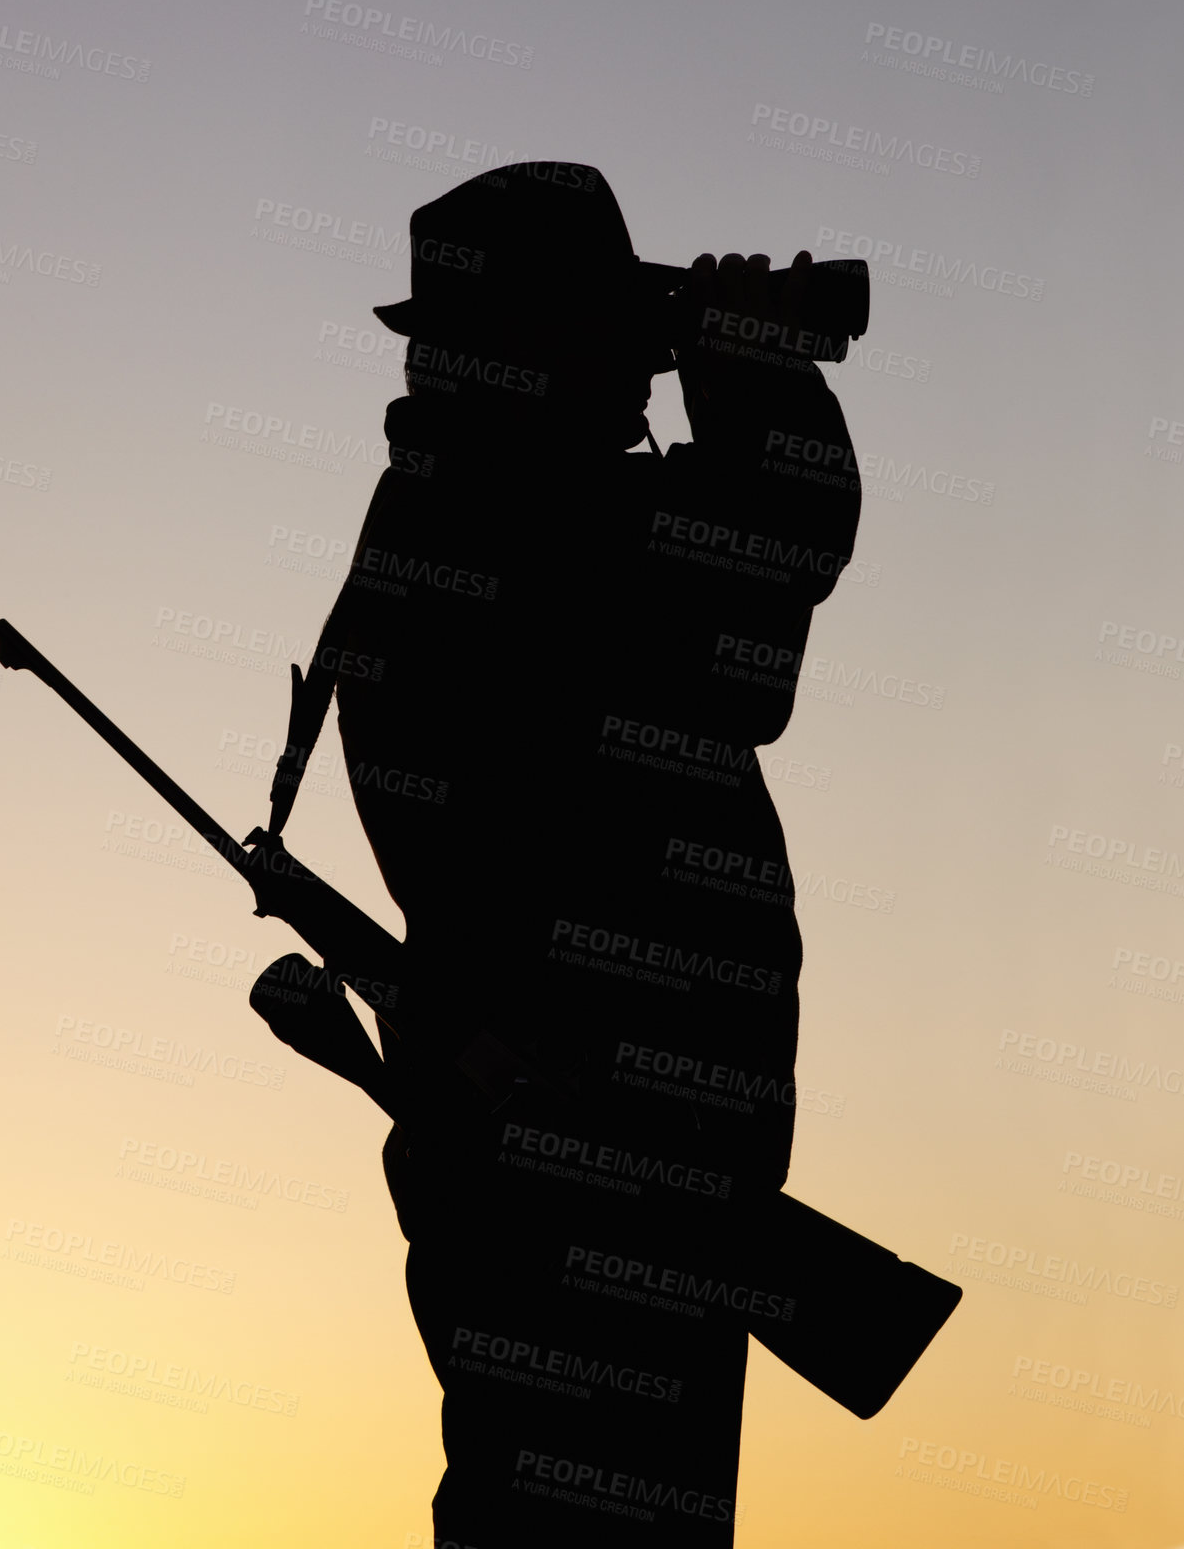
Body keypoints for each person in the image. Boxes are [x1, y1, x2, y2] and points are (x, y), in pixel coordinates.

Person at [293, 161, 860, 1546]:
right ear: (536, 347)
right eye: (614, 329)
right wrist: (762, 386)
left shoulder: (465, 505)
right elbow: (754, 635)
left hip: (582, 1146)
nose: (642, 366)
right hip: (594, 1155)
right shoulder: (514, 516)